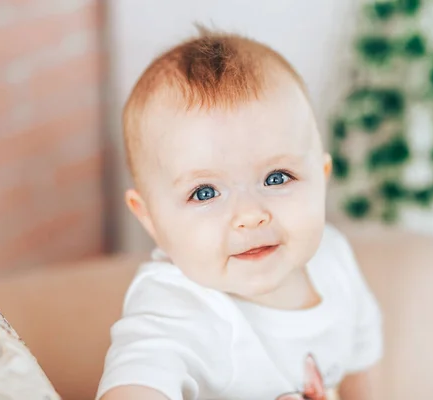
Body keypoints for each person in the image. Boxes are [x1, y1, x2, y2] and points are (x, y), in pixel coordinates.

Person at [96, 29, 383, 400]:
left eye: (277, 177)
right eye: (204, 192)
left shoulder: (335, 258)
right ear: (149, 218)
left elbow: (363, 361)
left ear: (321, 181)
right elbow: (139, 375)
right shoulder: (176, 309)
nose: (249, 215)